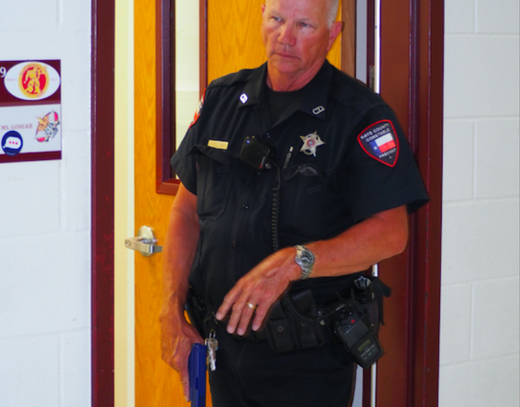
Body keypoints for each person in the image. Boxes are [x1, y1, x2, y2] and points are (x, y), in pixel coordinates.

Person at [160, 0, 429, 405]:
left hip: (304, 361)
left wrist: (295, 262)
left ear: (332, 35)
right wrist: (170, 310)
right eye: (277, 20)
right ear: (262, 20)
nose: (285, 37)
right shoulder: (222, 100)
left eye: (304, 25)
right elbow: (185, 212)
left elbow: (391, 234)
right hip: (219, 347)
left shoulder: (359, 117)